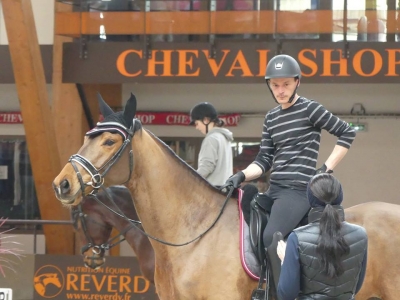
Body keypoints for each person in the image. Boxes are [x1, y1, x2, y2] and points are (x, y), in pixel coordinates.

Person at [221, 54, 356, 290]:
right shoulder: (271, 118)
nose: (280, 90)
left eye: (286, 84)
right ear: (269, 86)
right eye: (275, 85)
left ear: (297, 82)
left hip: (297, 191)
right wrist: (240, 175)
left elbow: (347, 132)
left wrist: (325, 170)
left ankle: (284, 294)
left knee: (270, 236)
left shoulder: (310, 109)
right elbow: (264, 160)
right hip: (274, 190)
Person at [276, 173, 368, 300]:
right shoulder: (361, 235)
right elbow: (356, 286)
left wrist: (285, 261)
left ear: (311, 200)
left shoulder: (296, 237)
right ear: (340, 197)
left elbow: (286, 295)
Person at [189, 102, 234, 186]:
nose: (197, 127)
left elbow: (206, 167)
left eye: (197, 123)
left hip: (212, 192)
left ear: (206, 120)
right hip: (225, 191)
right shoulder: (224, 138)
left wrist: (190, 179)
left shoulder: (211, 139)